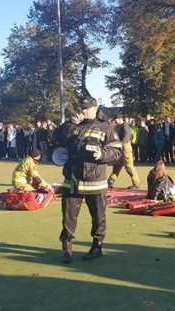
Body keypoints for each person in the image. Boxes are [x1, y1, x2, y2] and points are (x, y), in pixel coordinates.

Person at [57, 96, 122, 264]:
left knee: (98, 216)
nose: (83, 111)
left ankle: (97, 246)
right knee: (68, 216)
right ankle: (67, 247)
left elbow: (116, 152)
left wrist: (102, 154)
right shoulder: (76, 123)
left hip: (95, 180)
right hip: (72, 178)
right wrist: (70, 124)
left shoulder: (106, 127)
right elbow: (57, 138)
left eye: (86, 108)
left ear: (96, 108)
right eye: (82, 108)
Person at [108, 114, 141, 189]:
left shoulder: (125, 126)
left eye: (115, 120)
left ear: (119, 119)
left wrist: (120, 144)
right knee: (116, 166)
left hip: (126, 148)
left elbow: (127, 136)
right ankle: (110, 182)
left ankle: (136, 183)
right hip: (120, 149)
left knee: (129, 166)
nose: (114, 121)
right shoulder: (119, 126)